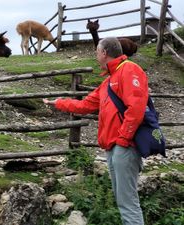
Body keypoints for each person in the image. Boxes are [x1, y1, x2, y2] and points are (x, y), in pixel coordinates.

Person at [43, 37, 146, 225]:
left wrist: (123, 140)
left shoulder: (129, 70)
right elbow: (85, 105)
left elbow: (136, 107)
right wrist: (58, 103)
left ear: (104, 53)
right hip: (114, 147)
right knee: (123, 201)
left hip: (124, 146)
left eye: (97, 51)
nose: (96, 55)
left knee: (128, 203)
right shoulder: (109, 81)